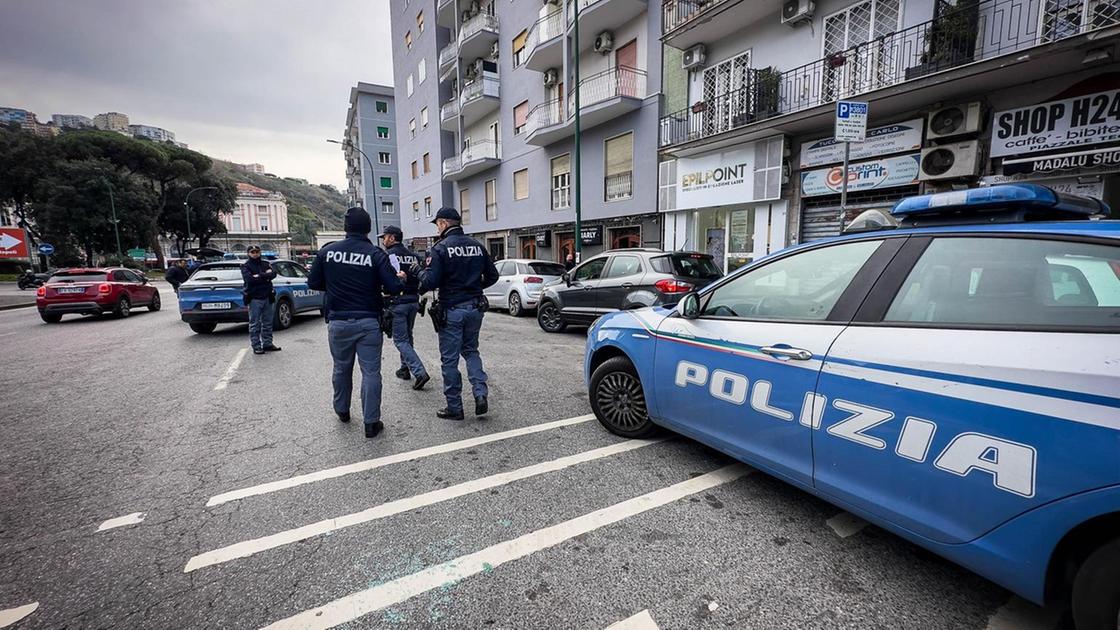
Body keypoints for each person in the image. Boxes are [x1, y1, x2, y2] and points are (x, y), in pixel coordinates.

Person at [308, 207, 403, 438]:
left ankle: (342, 410)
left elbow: (313, 282)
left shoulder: (327, 252)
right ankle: (371, 422)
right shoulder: (375, 254)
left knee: (341, 367)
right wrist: (401, 279)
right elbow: (393, 288)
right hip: (368, 321)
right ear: (368, 228)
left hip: (338, 321)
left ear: (345, 227)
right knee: (371, 372)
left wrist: (335, 286)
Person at [418, 207, 499, 421]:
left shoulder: (440, 248)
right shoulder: (477, 246)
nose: (437, 228)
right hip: (475, 307)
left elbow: (430, 282)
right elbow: (493, 276)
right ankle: (480, 394)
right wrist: (474, 286)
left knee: (450, 360)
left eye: (437, 224)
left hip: (452, 309)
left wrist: (418, 272)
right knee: (471, 351)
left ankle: (455, 407)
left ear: (444, 223)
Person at [379, 225, 430, 391]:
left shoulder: (387, 256)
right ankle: (405, 368)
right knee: (407, 336)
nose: (383, 240)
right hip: (413, 302)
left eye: (384, 237)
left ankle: (419, 372)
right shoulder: (413, 256)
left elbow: (383, 280)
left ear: (392, 238)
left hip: (397, 302)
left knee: (400, 340)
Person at [241, 245, 280, 355]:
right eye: (252, 252)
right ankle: (256, 345)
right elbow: (250, 280)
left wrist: (259, 276)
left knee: (267, 322)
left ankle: (267, 343)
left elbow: (273, 274)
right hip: (254, 297)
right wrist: (265, 275)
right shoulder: (246, 266)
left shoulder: (265, 263)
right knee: (255, 324)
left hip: (267, 296)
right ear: (248, 253)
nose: (255, 254)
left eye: (257, 252)